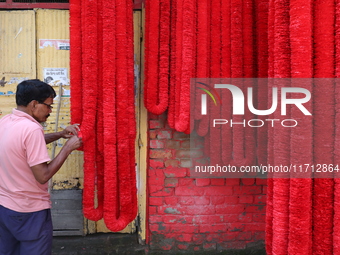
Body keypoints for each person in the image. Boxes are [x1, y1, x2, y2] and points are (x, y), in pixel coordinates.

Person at [0, 79, 83, 255]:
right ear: (34, 104)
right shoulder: (32, 129)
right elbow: (43, 176)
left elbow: (25, 144)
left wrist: (60, 134)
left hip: (5, 207)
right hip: (29, 212)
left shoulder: (6, 121)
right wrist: (67, 148)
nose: (50, 111)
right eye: (48, 106)